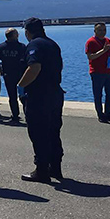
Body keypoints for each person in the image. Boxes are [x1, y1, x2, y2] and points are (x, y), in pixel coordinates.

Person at [18, 17, 65, 183]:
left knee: (38, 132)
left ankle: (42, 170)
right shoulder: (52, 44)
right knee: (53, 131)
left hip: (39, 95)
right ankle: (56, 167)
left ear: (27, 31)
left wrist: (21, 85)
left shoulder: (34, 45)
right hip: (55, 92)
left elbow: (34, 67)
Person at [84, 23, 110, 123]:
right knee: (98, 94)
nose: (102, 32)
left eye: (104, 30)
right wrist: (103, 51)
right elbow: (90, 56)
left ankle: (108, 113)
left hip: (108, 71)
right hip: (97, 72)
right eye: (100, 30)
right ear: (95, 31)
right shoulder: (91, 42)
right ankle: (100, 114)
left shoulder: (108, 41)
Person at [0, 28, 28, 123]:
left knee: (12, 96)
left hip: (8, 74)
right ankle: (26, 114)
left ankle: (15, 115)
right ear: (14, 35)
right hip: (20, 74)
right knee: (24, 95)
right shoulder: (21, 47)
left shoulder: (1, 47)